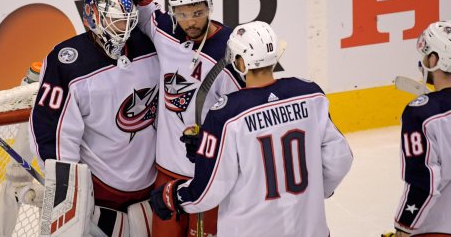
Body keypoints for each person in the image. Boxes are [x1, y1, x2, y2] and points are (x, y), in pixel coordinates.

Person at [148, 21, 353, 237]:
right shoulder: (311, 95)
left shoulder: (226, 115)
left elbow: (208, 191)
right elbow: (341, 158)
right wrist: (318, 191)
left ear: (241, 63)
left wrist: (172, 196)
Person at [98, 0, 244, 237]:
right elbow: (144, 0)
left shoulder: (231, 50)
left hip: (210, 178)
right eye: (183, 13)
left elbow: (245, 114)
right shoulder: (165, 30)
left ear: (210, 6)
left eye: (198, 12)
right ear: (174, 11)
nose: (191, 22)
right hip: (166, 174)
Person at [29, 0, 159, 236]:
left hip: (153, 188)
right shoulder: (67, 62)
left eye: (128, 21)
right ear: (94, 17)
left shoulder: (151, 46)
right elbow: (53, 132)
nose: (123, 29)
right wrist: (69, 195)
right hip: (100, 194)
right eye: (115, 21)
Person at [393, 20, 451, 237]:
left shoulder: (421, 114)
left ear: (434, 59)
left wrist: (403, 225)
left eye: (426, 54)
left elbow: (423, 182)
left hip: (443, 229)